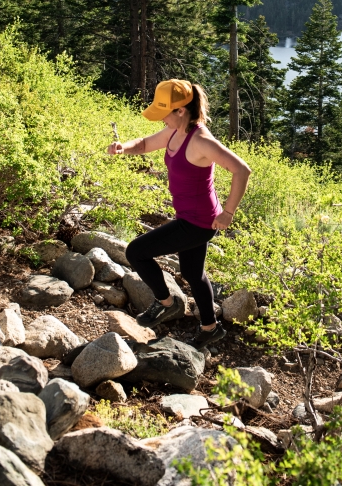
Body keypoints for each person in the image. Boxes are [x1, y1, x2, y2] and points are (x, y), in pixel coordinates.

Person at [107, 79, 251, 347]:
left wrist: (229, 212)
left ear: (181, 111)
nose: (161, 119)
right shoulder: (173, 132)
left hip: (200, 222)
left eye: (164, 113)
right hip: (189, 216)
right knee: (193, 272)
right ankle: (210, 328)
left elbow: (242, 170)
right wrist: (122, 147)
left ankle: (167, 303)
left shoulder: (201, 141)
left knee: (136, 252)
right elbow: (142, 144)